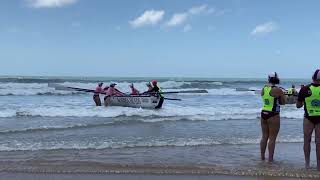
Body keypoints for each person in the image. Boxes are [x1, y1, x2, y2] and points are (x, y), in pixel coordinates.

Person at [296, 69, 320, 170]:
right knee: (319, 142)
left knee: (307, 141)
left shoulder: (305, 89)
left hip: (308, 118)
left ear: (312, 78)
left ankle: (307, 164)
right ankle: (319, 166)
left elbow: (298, 105)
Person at [260, 72, 286, 162]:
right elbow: (283, 102)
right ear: (276, 78)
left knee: (264, 137)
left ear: (268, 79)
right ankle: (270, 159)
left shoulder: (264, 88)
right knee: (272, 138)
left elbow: (265, 98)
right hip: (273, 114)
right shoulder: (278, 90)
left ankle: (262, 157)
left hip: (264, 113)